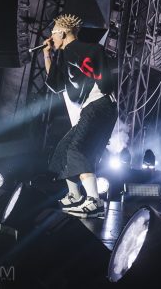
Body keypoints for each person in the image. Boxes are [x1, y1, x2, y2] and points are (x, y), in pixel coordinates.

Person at [43, 14, 117, 218]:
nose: (51, 38)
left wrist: (101, 82)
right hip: (94, 107)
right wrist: (47, 55)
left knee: (77, 149)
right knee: (64, 149)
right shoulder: (66, 54)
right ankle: (74, 195)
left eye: (53, 33)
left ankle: (94, 200)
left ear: (62, 33)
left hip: (99, 105)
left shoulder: (76, 50)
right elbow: (55, 83)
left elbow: (96, 56)